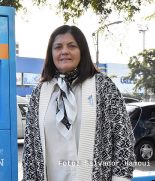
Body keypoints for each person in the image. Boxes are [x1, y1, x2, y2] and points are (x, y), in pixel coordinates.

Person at [22, 25, 135, 181]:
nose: (64, 51)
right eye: (58, 47)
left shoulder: (103, 86)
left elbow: (123, 139)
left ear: (82, 51)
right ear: (51, 53)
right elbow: (29, 147)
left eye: (72, 46)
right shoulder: (40, 93)